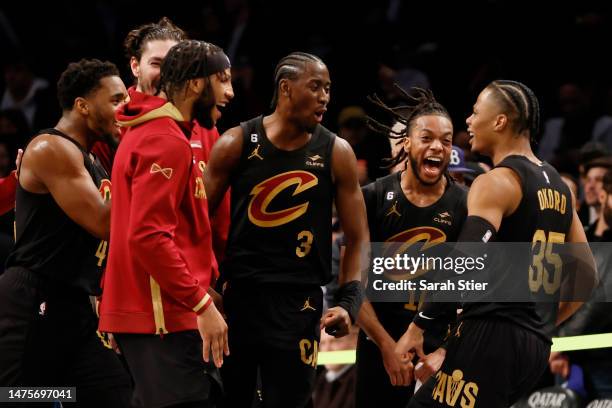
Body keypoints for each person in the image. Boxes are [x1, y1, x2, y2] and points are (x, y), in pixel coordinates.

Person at [396, 80, 598, 407]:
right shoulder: (562, 187)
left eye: (476, 113)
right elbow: (587, 276)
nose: (469, 122)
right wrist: (540, 325)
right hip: (534, 345)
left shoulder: (498, 181)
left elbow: (465, 259)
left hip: (491, 335)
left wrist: (419, 325)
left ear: (500, 121)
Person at [204, 51, 369, 408]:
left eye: (328, 88)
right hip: (239, 301)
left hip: (300, 303)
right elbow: (196, 223)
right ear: (286, 89)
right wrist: (201, 290)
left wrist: (349, 302)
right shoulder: (237, 142)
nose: (325, 96)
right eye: (315, 86)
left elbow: (358, 239)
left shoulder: (336, 151)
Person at [98, 40, 233, 408]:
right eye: (222, 80)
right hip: (163, 319)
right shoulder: (164, 139)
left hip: (157, 316)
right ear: (195, 85)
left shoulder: (154, 131)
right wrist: (201, 302)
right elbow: (148, 236)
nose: (230, 92)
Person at [0, 59, 131, 407]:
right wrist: (145, 165)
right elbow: (105, 224)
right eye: (116, 99)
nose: (126, 108)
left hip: (76, 305)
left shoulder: (93, 161)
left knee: (115, 396)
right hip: (33, 299)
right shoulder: (50, 148)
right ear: (83, 105)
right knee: (25, 400)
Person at [356, 88, 467, 408]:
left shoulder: (466, 204)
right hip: (379, 343)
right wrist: (387, 347)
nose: (437, 146)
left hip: (439, 350)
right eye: (427, 137)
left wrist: (446, 350)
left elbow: (475, 289)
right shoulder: (373, 197)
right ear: (406, 142)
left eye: (446, 141)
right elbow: (353, 284)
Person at [92, 17, 231, 271]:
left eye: (174, 64)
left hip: (196, 276)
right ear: (135, 66)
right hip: (138, 278)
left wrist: (218, 275)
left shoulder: (204, 128)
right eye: (156, 63)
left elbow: (218, 215)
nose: (167, 73)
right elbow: (101, 215)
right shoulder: (114, 125)